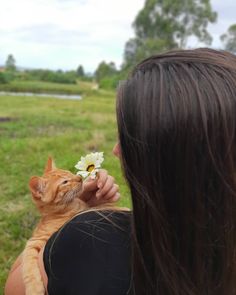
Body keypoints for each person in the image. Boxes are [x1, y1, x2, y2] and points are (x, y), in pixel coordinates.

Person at [5, 47, 236, 295]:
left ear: (168, 158)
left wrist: (64, 219)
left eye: (128, 137)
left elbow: (15, 287)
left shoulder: (91, 235)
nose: (116, 150)